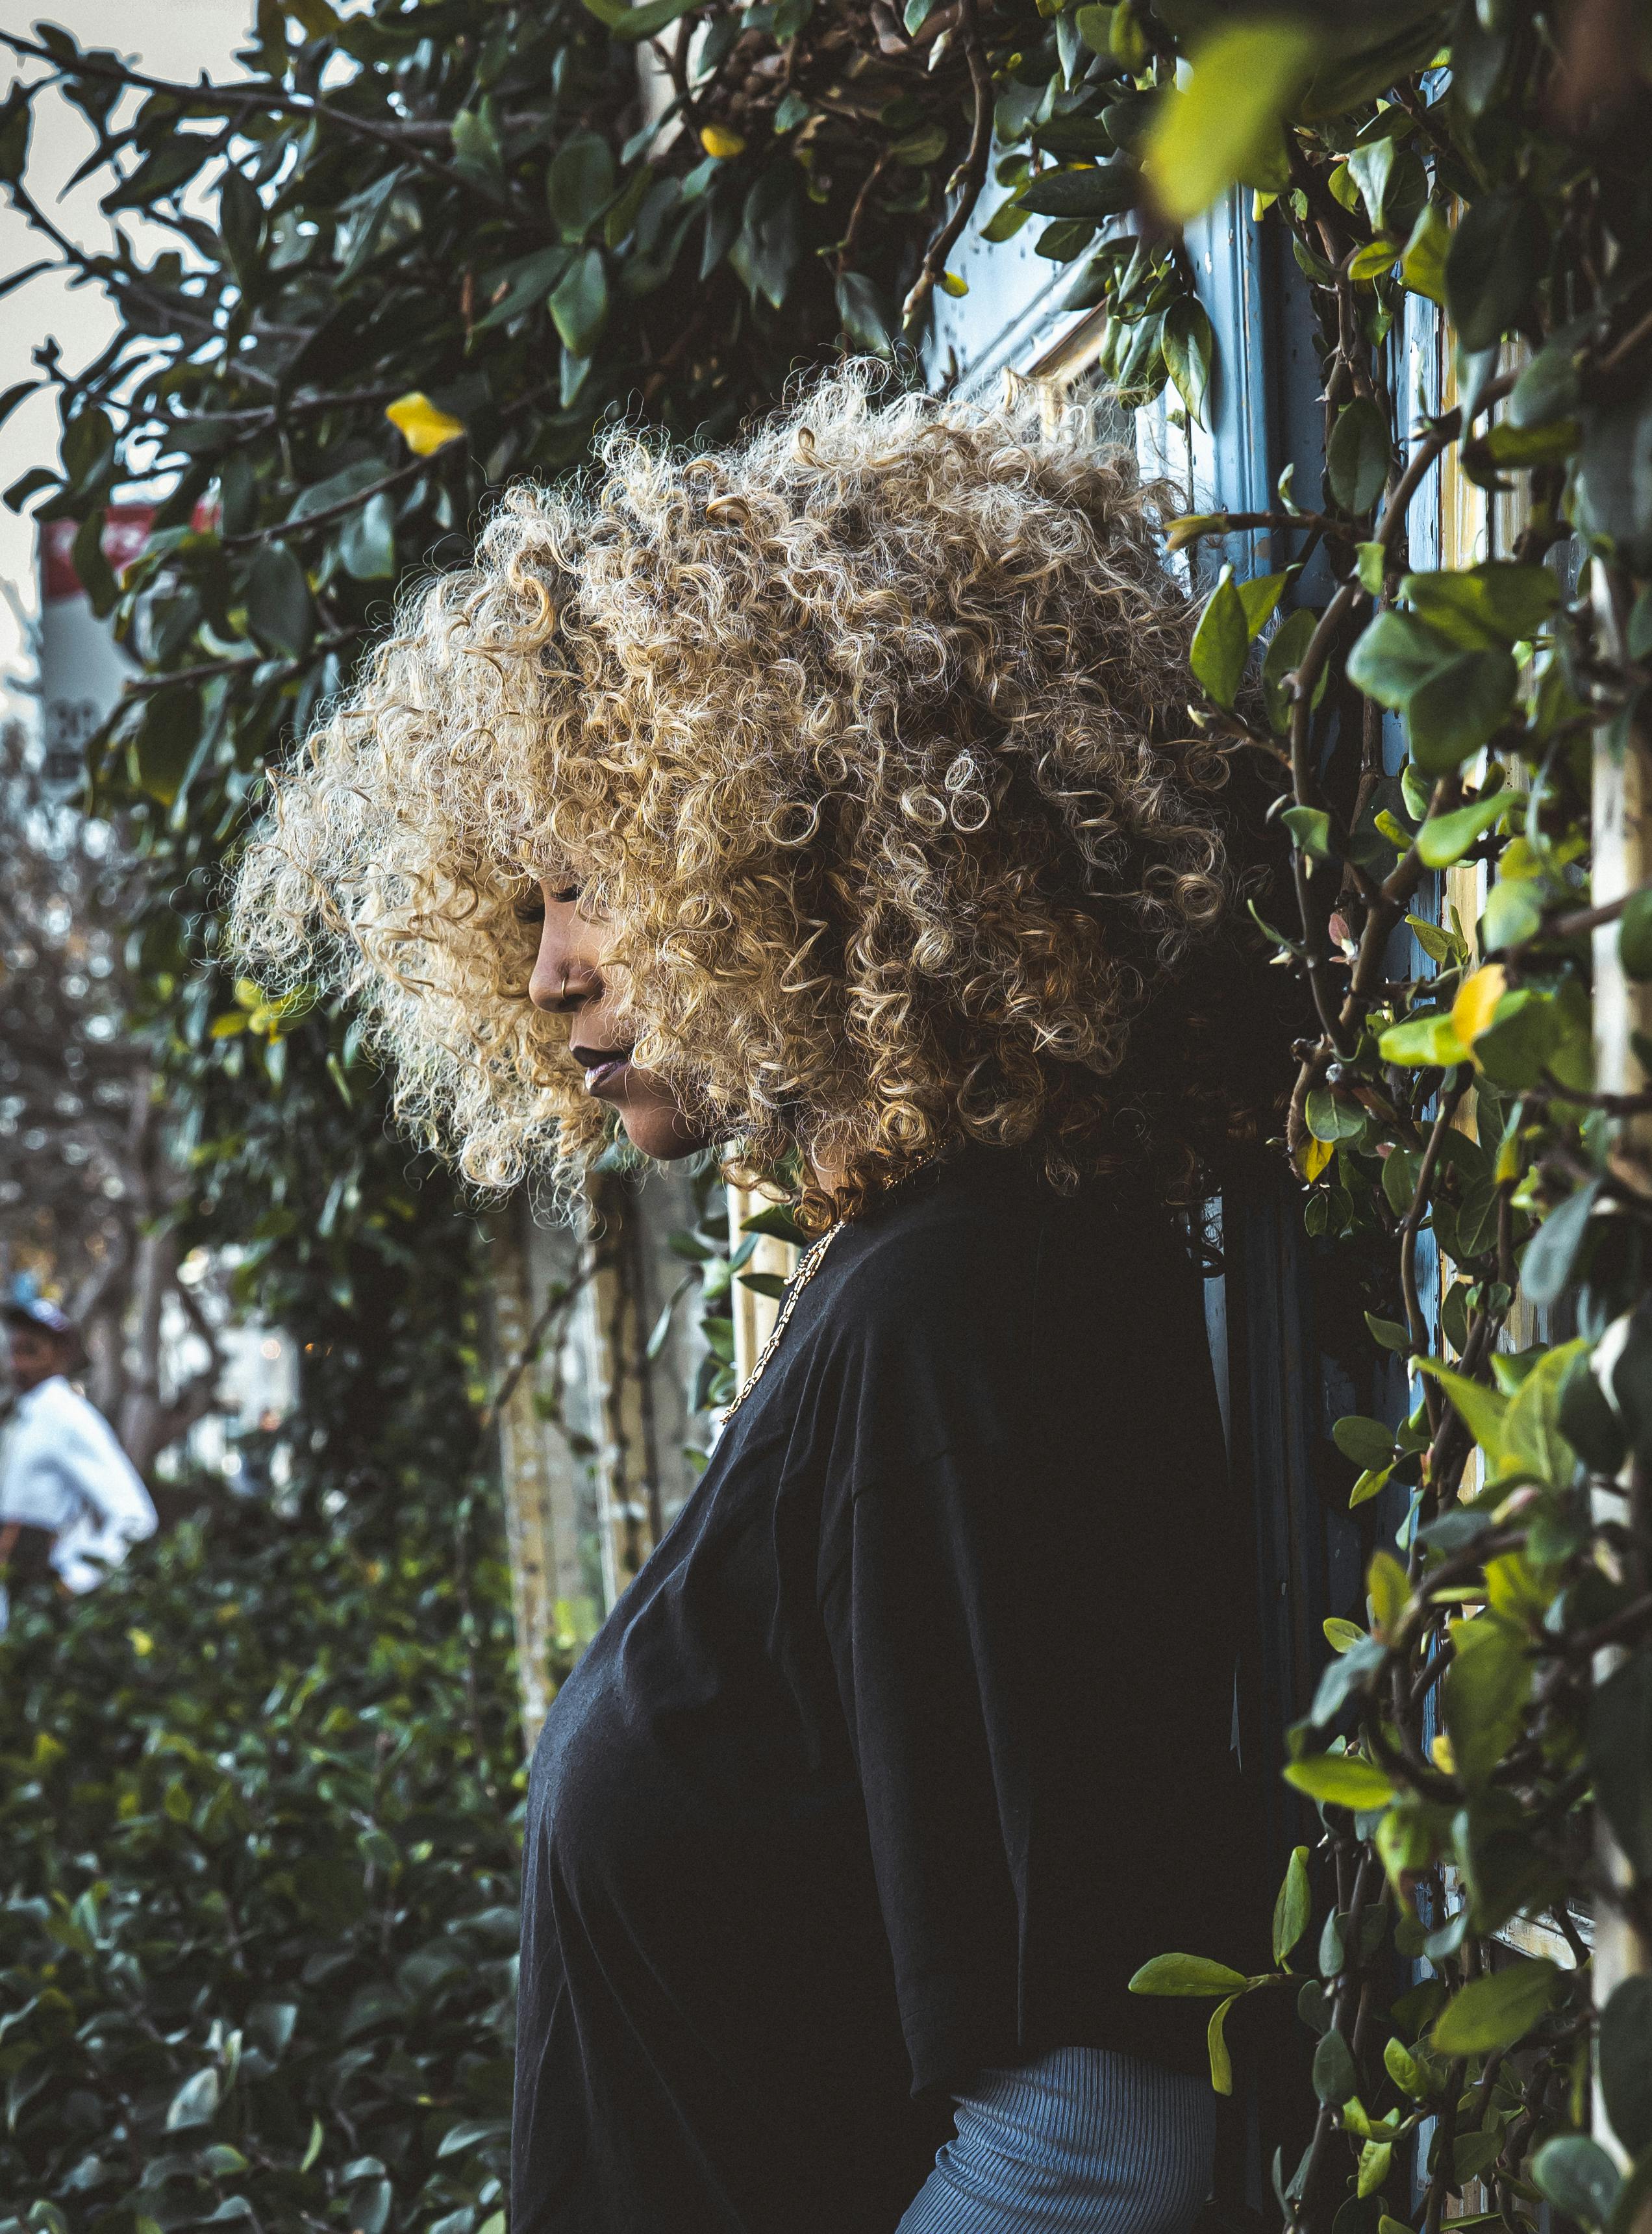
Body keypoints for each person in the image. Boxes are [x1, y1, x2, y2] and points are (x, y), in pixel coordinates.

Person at [232, 373, 1263, 2234]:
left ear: (803, 835)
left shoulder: (956, 1322)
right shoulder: (906, 1282)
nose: (545, 972)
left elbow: (1096, 2154)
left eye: (589, 881)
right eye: (528, 902)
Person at [0, 1298, 158, 1622]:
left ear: (61, 1354)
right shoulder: (22, 1414)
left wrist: (74, 1582)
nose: (19, 1355)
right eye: (16, 1342)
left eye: (32, 1345)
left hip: (40, 1606)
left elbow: (134, 1518)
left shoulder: (68, 1416)